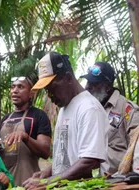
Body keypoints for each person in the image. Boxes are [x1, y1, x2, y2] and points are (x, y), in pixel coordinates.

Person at [23, 52, 109, 190]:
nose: (50, 96)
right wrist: (48, 172)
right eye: (46, 91)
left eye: (52, 89)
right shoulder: (65, 107)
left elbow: (89, 160)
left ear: (68, 78)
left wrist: (48, 182)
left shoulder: (89, 108)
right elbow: (68, 157)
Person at [80, 62, 139, 174]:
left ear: (107, 87)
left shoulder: (127, 109)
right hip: (101, 180)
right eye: (88, 82)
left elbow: (137, 142)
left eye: (93, 84)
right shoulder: (93, 109)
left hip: (121, 180)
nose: (87, 87)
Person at [0, 74, 52, 186]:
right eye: (13, 87)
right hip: (5, 183)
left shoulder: (39, 116)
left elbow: (45, 152)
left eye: (20, 87)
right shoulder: (5, 119)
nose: (15, 90)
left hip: (29, 182)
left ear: (31, 94)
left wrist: (25, 137)